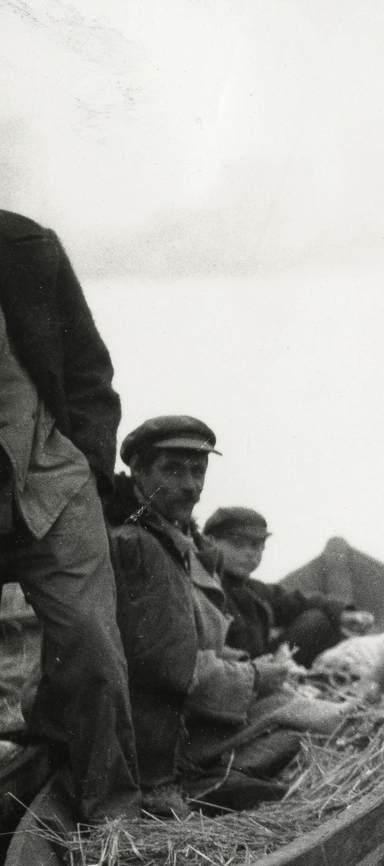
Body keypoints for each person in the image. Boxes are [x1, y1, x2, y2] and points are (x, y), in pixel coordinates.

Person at [0, 210, 140, 820]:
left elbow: (87, 368)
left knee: (92, 649)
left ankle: (111, 815)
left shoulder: (27, 247)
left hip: (52, 480)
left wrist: (91, 466)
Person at [110, 417, 298, 815]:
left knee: (291, 719)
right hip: (152, 734)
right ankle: (197, 787)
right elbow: (165, 667)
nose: (191, 485)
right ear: (139, 471)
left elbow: (188, 643)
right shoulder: (137, 545)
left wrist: (242, 664)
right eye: (173, 469)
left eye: (198, 471)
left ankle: (218, 783)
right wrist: (256, 677)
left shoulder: (177, 541)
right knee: (298, 722)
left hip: (179, 712)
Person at [202, 507, 370, 667]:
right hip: (231, 673)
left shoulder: (253, 590)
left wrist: (342, 613)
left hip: (263, 667)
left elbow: (297, 601)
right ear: (209, 541)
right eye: (237, 543)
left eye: (256, 545)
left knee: (319, 619)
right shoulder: (203, 586)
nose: (249, 552)